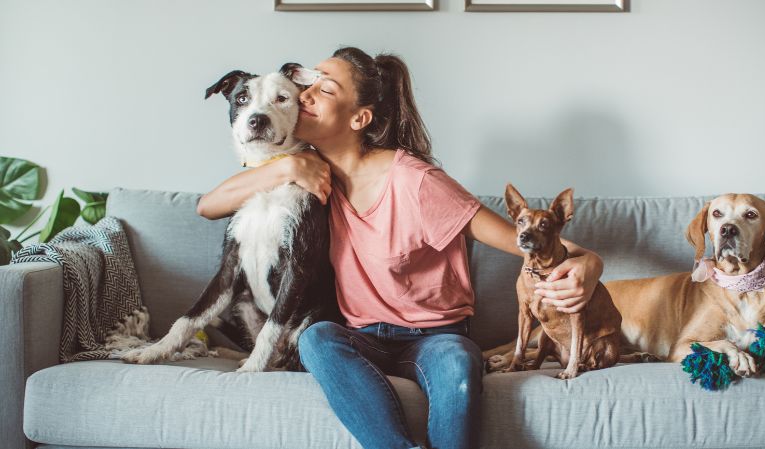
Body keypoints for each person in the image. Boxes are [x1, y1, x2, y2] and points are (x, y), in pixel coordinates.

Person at [196, 46, 603, 449]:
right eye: (309, 84)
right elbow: (208, 205)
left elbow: (528, 243)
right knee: (316, 339)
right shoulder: (307, 172)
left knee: (460, 363)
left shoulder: (416, 181)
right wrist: (286, 166)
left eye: (325, 89)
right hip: (362, 335)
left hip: (435, 336)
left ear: (359, 118)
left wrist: (592, 262)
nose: (305, 94)